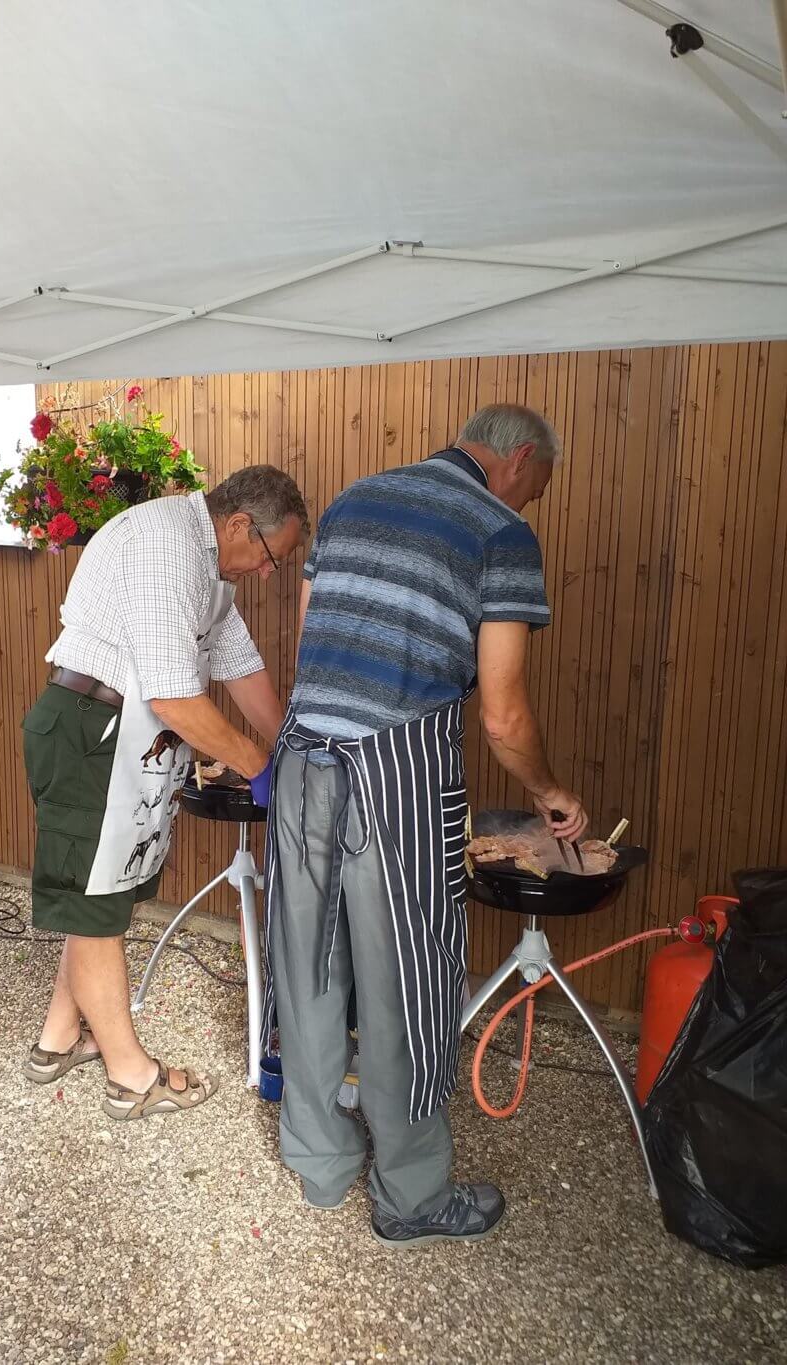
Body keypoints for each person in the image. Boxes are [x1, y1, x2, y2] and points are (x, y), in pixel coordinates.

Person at [262, 403, 588, 1247]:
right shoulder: (499, 530)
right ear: (518, 460)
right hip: (397, 771)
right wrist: (551, 792)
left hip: (304, 758)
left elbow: (310, 645)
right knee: (409, 977)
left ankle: (320, 1161)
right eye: (538, 487)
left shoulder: (352, 500)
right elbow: (505, 714)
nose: (532, 504)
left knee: (306, 960)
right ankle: (410, 1196)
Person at [22, 464, 308, 1121]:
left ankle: (58, 1037)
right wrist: (260, 767)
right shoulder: (164, 545)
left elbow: (239, 665)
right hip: (92, 728)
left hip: (121, 733)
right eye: (272, 556)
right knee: (96, 904)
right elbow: (176, 696)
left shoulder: (211, 571)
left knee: (101, 895)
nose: (270, 572)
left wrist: (293, 746)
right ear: (239, 524)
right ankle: (132, 1077)